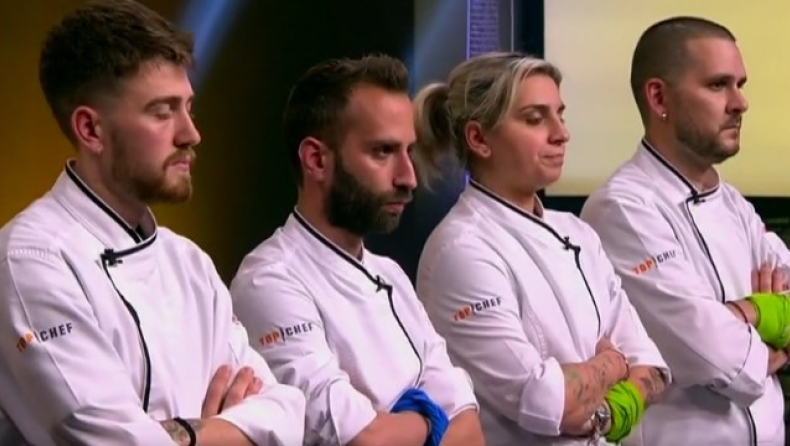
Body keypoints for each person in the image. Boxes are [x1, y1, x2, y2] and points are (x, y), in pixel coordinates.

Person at [0, 1, 306, 445]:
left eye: (189, 108)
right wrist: (227, 431)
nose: (191, 134)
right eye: (163, 112)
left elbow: (286, 410)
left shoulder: (190, 263)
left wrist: (185, 435)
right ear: (91, 130)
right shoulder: (31, 262)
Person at [411, 51, 670, 446]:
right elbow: (547, 401)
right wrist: (614, 363)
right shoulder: (460, 250)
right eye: (535, 119)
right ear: (479, 139)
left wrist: (605, 414)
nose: (561, 133)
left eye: (560, 115)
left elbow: (653, 367)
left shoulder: (578, 233)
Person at [229, 54, 484, 446]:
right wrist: (433, 417)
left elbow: (470, 433)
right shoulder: (269, 281)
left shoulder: (391, 275)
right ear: (317, 160)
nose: (408, 178)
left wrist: (406, 423)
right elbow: (363, 439)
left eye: (409, 151)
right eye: (383, 152)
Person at [580, 16, 790, 446]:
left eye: (740, 84)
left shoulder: (733, 203)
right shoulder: (622, 209)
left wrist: (744, 313)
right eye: (718, 85)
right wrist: (770, 321)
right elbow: (716, 357)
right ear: (659, 97)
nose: (740, 103)